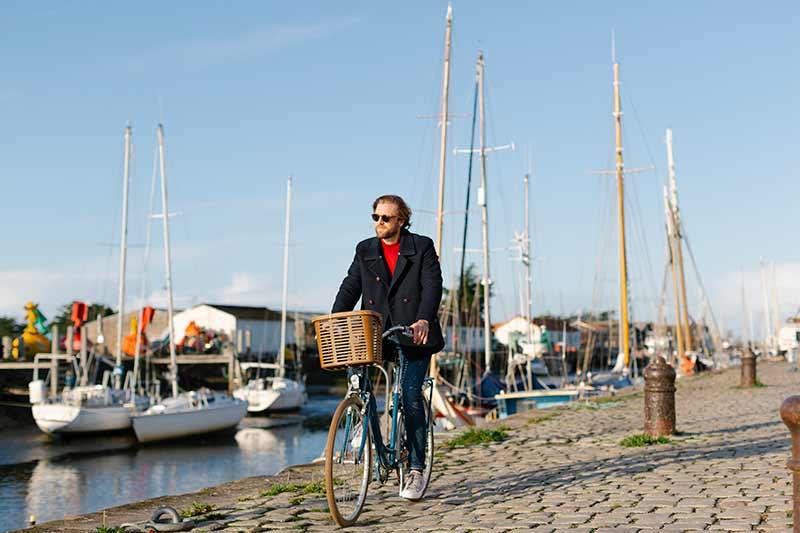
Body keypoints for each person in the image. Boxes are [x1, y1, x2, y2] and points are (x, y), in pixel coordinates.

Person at [332, 194, 444, 501]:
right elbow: (350, 286)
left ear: (401, 221)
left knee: (409, 395)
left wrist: (423, 319)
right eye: (375, 217)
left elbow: (433, 285)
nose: (379, 223)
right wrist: (336, 319)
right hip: (377, 331)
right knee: (356, 371)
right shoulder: (365, 249)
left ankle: (417, 469)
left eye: (385, 218)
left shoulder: (420, 247)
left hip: (413, 333)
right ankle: (361, 420)